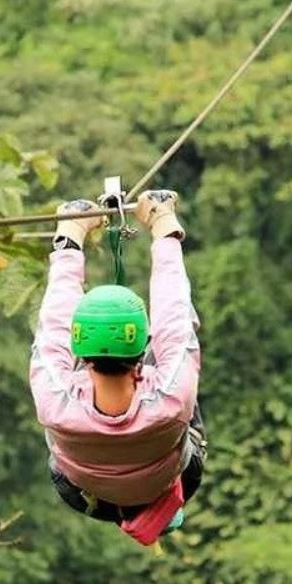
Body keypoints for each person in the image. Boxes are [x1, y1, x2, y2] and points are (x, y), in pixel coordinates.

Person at [30, 190, 206, 546]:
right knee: (177, 357)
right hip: (173, 477)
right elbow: (175, 321)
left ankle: (137, 506)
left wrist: (70, 236)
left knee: (59, 357)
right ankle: (156, 506)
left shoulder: (56, 399)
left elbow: (55, 324)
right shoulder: (171, 396)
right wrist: (163, 226)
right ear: (141, 347)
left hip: (87, 496)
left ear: (80, 349)